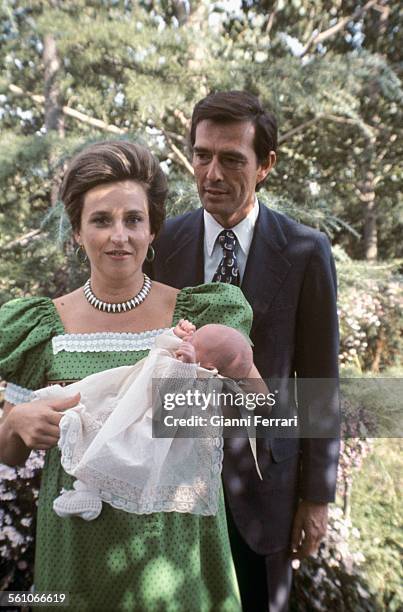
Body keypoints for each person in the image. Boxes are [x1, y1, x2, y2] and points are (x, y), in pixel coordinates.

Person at [0, 140, 257, 611]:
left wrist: (235, 368)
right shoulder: (40, 328)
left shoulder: (200, 315)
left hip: (177, 545)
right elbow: (8, 453)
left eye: (133, 220)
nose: (119, 235)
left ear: (152, 229)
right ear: (77, 231)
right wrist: (16, 423)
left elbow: (266, 415)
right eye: (101, 220)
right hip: (77, 543)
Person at [145, 90, 340, 612]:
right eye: (202, 154)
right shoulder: (160, 244)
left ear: (265, 165)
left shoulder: (305, 251)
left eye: (232, 159)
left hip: (266, 487)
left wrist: (317, 497)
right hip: (172, 484)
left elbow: (321, 380)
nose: (212, 173)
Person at [33, 319, 259, 521]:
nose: (189, 338)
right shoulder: (185, 357)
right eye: (193, 333)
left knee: (114, 451)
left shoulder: (201, 385)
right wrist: (175, 334)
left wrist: (186, 368)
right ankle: (84, 487)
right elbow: (160, 348)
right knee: (93, 409)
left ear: (209, 367)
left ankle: (88, 490)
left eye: (195, 340)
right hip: (128, 403)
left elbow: (173, 405)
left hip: (147, 430)